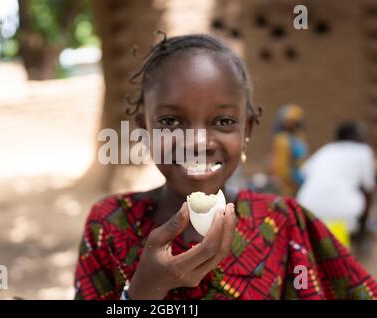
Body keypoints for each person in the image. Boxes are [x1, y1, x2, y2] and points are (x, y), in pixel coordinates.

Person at [74, 34, 377, 300]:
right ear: (143, 129)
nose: (198, 142)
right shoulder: (111, 226)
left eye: (223, 122)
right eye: (170, 121)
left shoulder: (282, 224)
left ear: (246, 129)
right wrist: (142, 291)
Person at [296, 122, 376, 248]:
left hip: (306, 207)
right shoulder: (363, 151)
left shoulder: (327, 149)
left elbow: (302, 174)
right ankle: (358, 238)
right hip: (342, 212)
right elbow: (368, 189)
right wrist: (363, 228)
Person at [269, 103, 308, 196]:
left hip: (297, 184)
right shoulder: (282, 140)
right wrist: (294, 179)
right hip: (287, 187)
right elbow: (282, 168)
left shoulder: (297, 138)